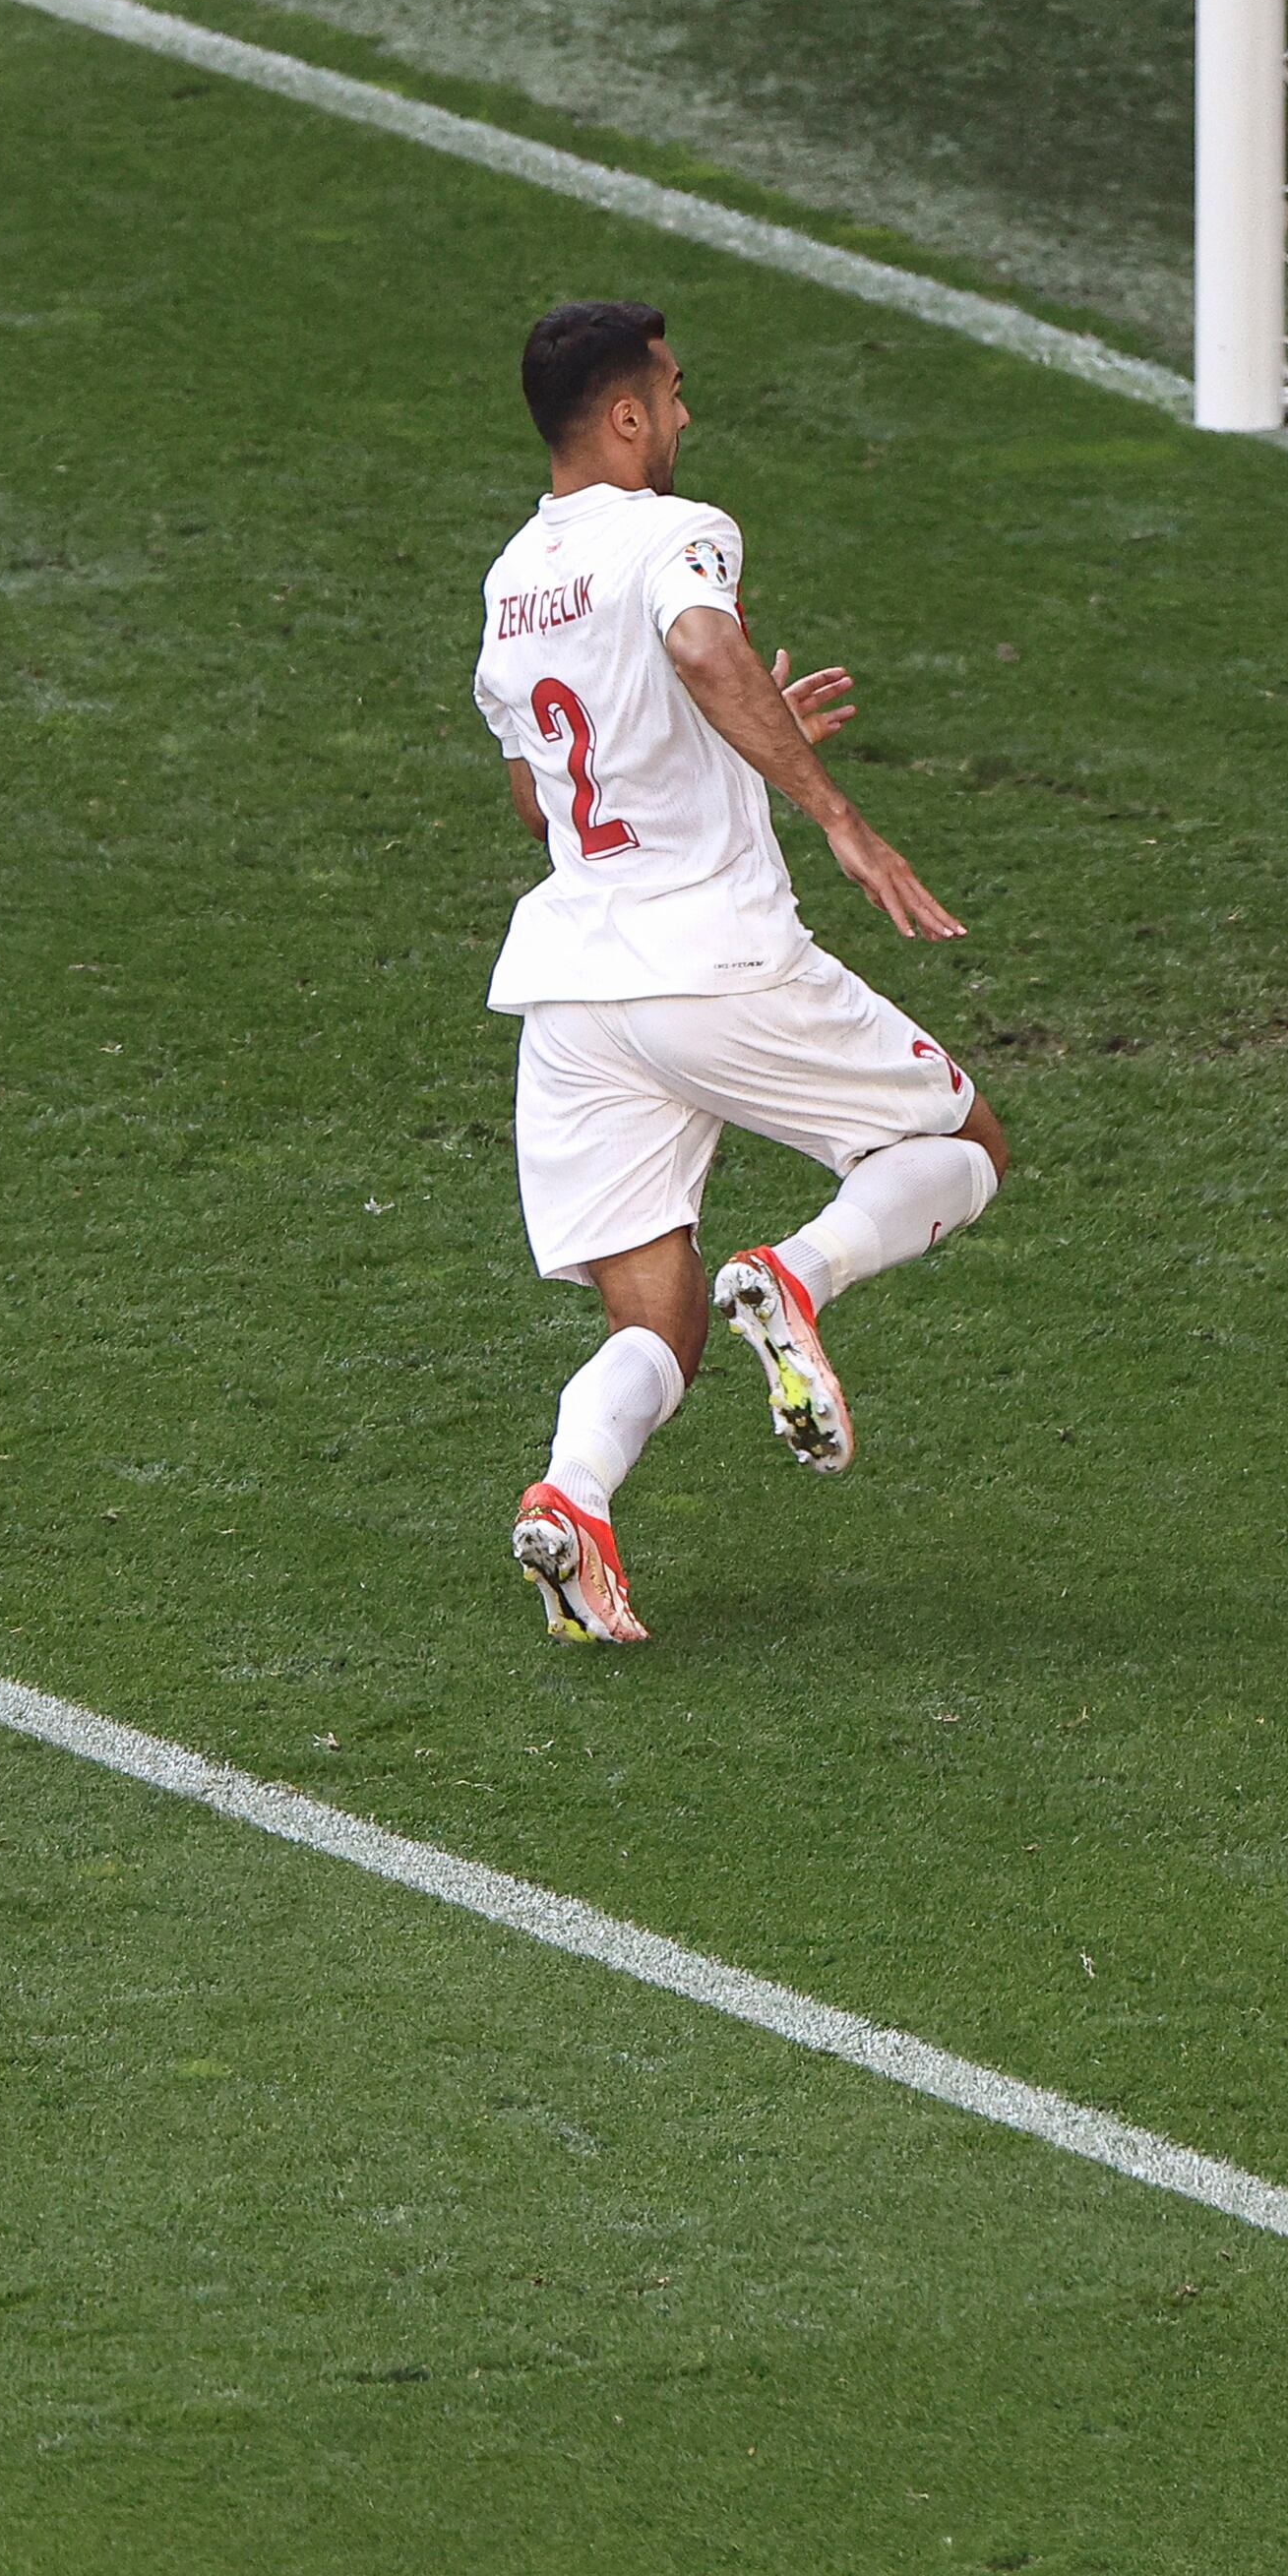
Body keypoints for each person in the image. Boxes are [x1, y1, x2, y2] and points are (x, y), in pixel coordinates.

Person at [474, 299, 1009, 1643]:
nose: (687, 417)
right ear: (625, 414)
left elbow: (549, 803)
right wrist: (840, 816)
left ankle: (574, 1502)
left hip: (573, 993)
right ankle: (800, 1275)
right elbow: (703, 647)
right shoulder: (679, 531)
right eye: (673, 392)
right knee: (966, 1142)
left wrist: (735, 739)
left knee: (653, 1313)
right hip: (710, 958)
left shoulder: (507, 584)